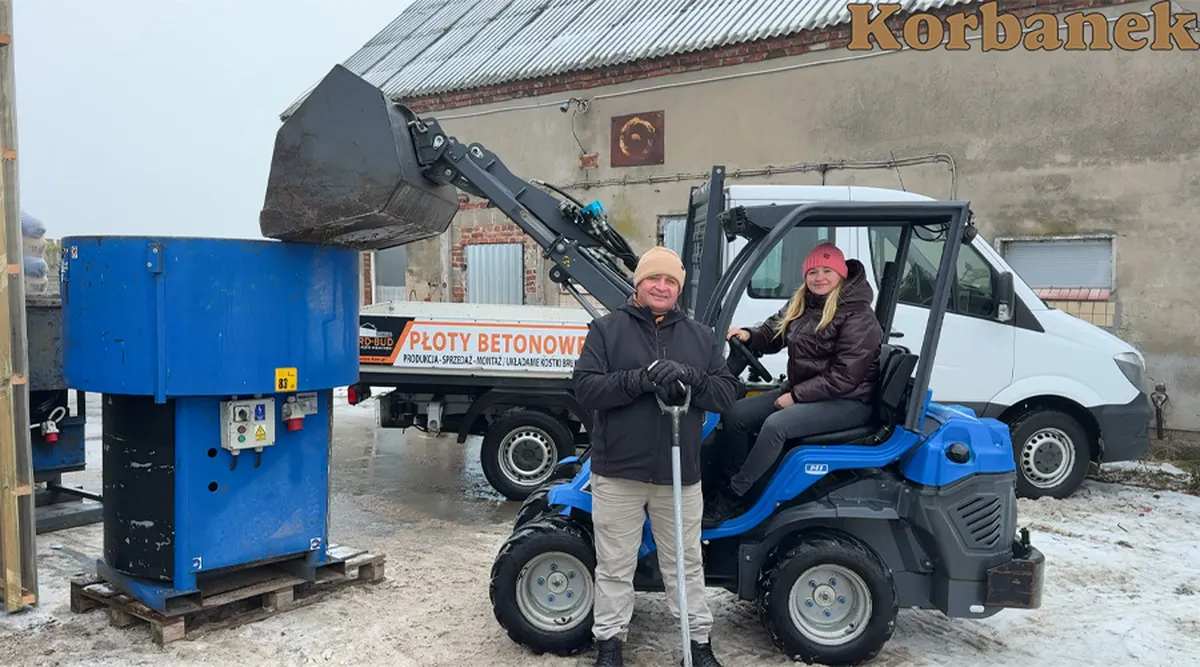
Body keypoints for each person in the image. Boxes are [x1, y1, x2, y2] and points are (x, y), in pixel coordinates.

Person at [573, 246, 739, 667]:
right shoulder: (606, 330)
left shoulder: (699, 337)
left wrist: (690, 377)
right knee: (614, 565)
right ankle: (609, 644)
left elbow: (725, 394)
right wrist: (640, 380)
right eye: (653, 279)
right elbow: (587, 389)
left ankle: (696, 644)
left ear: (678, 288)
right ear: (639, 283)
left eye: (669, 281)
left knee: (685, 564)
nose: (661, 287)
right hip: (619, 473)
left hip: (678, 475)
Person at [703, 242, 884, 528]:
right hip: (810, 390)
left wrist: (797, 397)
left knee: (777, 425)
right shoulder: (804, 303)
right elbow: (774, 332)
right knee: (734, 415)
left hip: (849, 400)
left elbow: (845, 377)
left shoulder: (857, 315)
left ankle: (734, 495)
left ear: (841, 273)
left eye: (827, 270)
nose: (819, 277)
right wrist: (749, 336)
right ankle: (733, 478)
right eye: (813, 271)